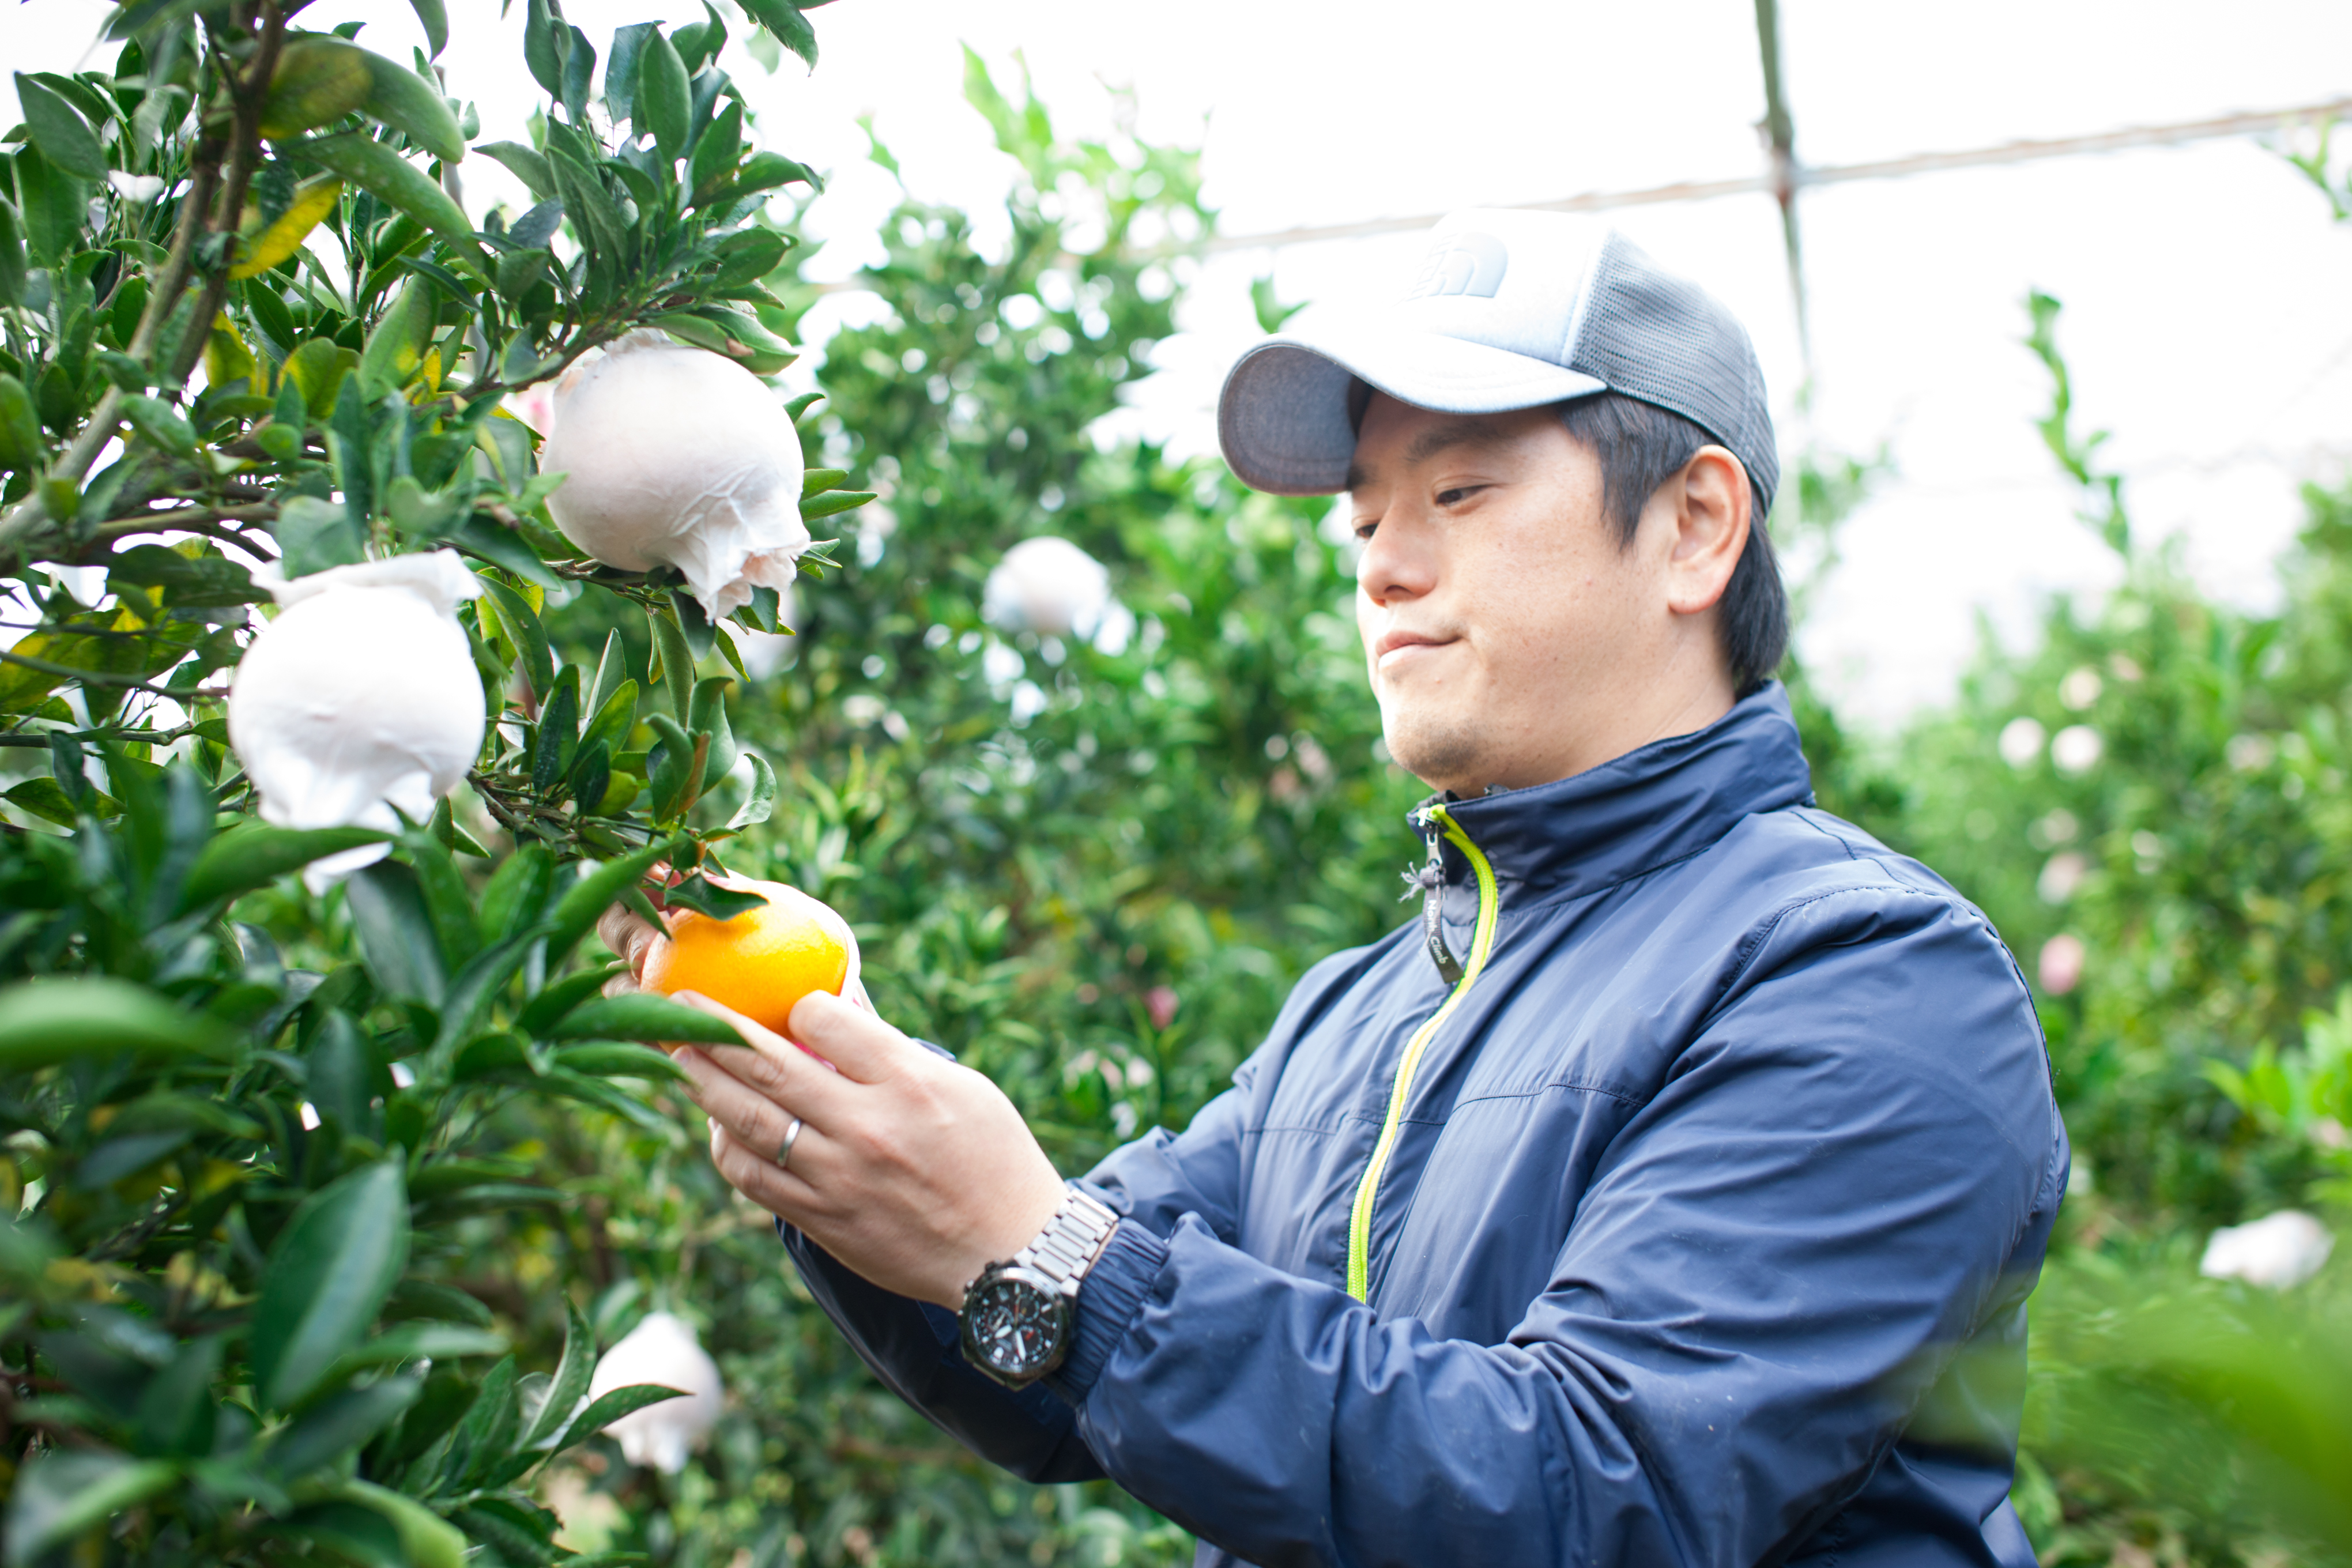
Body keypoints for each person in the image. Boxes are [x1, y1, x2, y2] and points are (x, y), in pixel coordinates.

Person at [601, 209, 2069, 1567]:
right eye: (1366, 517)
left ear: (1693, 526)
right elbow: (1050, 1350)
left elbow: (1603, 1490)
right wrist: (823, 1106)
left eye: (1462, 491)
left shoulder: (1864, 976)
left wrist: (1035, 1248)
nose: (1383, 567)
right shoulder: (1358, 1015)